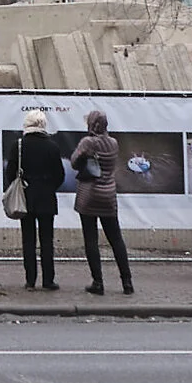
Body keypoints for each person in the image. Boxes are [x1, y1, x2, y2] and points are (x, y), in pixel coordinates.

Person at [70, 108, 131, 296]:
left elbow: (73, 162)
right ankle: (127, 282)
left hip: (89, 196)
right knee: (116, 239)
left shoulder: (88, 142)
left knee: (91, 240)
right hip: (108, 195)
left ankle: (98, 282)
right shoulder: (113, 143)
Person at [14, 107, 62, 292]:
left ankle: (30, 280)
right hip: (47, 198)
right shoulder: (53, 147)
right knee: (47, 240)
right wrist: (48, 187)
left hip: (26, 197)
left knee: (28, 240)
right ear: (43, 124)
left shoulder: (18, 146)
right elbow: (60, 175)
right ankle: (48, 280)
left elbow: (11, 173)